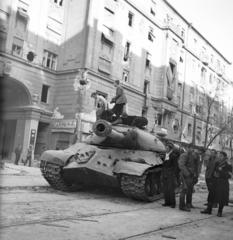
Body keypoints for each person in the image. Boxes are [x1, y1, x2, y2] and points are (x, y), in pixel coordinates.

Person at [201, 151, 232, 217]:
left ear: (224, 157)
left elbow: (229, 175)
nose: (219, 157)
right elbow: (212, 171)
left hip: (223, 183)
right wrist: (211, 180)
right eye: (219, 155)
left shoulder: (228, 165)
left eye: (221, 156)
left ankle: (219, 212)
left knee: (221, 198)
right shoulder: (217, 163)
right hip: (215, 182)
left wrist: (221, 171)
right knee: (211, 195)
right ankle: (208, 210)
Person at [178, 144, 199, 211]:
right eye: (190, 148)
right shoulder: (184, 155)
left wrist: (195, 174)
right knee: (184, 190)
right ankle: (182, 206)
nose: (192, 150)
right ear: (187, 148)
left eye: (193, 148)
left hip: (191, 176)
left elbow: (194, 166)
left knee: (190, 190)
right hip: (185, 175)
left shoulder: (192, 156)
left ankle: (189, 204)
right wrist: (187, 173)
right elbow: (181, 165)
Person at [161, 142, 180, 208]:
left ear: (170, 149)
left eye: (167, 148)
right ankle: (167, 202)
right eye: (165, 148)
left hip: (171, 175)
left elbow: (176, 167)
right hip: (165, 174)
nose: (166, 149)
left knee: (171, 190)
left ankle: (173, 203)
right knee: (165, 189)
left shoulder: (173, 156)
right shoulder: (165, 155)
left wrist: (173, 174)